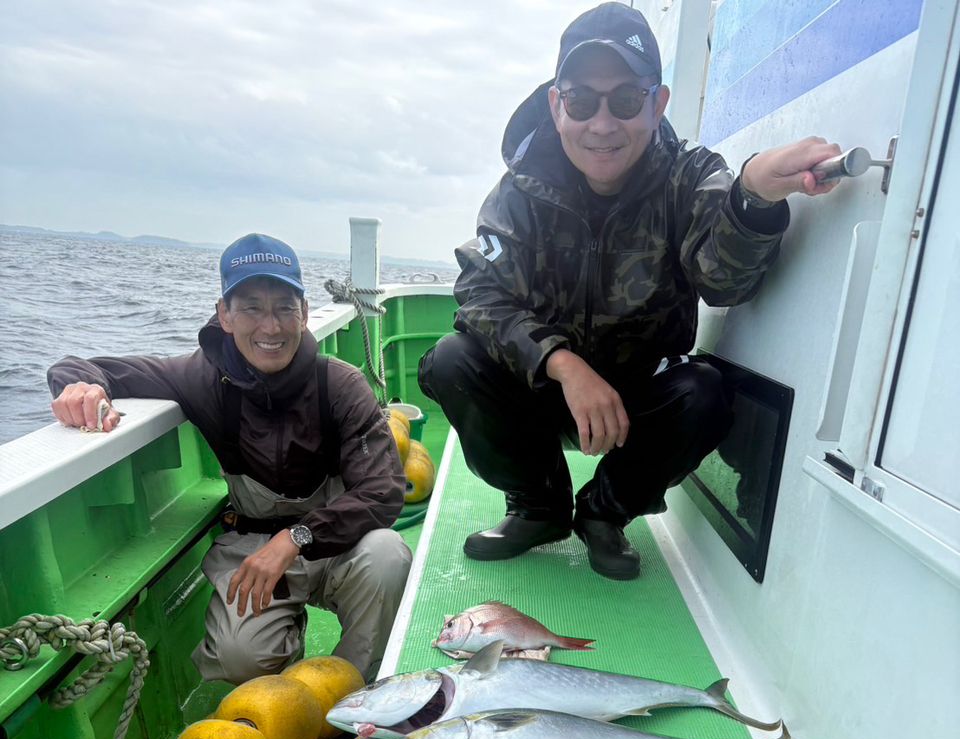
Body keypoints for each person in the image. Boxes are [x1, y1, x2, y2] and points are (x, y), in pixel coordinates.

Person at [418, 2, 841, 580]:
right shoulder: (519, 191)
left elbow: (723, 283)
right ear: (556, 103)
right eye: (582, 101)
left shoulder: (688, 177)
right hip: (543, 392)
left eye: (624, 100)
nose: (602, 123)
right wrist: (563, 365)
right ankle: (538, 506)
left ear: (657, 103)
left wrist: (752, 196)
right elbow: (480, 294)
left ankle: (603, 514)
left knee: (704, 392)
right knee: (451, 359)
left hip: (637, 403)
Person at [49, 233, 411, 683]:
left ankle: (354, 691)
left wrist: (296, 537)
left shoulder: (340, 384)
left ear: (303, 311)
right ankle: (281, 655)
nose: (271, 327)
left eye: (283, 307)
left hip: (337, 539)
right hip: (252, 542)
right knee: (241, 659)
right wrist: (80, 386)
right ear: (224, 314)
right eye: (252, 308)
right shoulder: (200, 377)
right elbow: (87, 366)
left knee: (387, 554)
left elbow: (382, 492)